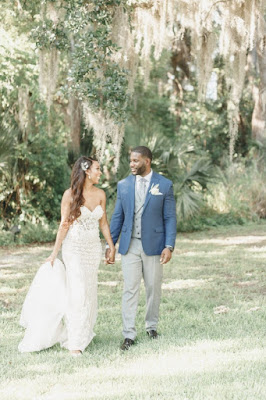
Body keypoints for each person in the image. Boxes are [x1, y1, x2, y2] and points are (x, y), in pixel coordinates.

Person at [18, 156, 115, 356]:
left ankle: (83, 333)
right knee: (77, 292)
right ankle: (75, 344)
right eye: (97, 168)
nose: (100, 172)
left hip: (92, 249)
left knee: (88, 291)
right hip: (74, 249)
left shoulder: (100, 194)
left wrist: (111, 245)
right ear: (87, 171)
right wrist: (54, 253)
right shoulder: (70, 195)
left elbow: (103, 222)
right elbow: (64, 225)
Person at [106, 146, 177, 350]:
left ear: (147, 161)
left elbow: (170, 217)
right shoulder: (124, 185)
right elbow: (118, 216)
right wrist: (110, 244)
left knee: (153, 288)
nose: (132, 164)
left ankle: (151, 326)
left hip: (154, 245)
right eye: (131, 160)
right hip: (130, 245)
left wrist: (169, 245)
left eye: (136, 161)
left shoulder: (164, 184)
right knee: (130, 289)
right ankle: (129, 334)